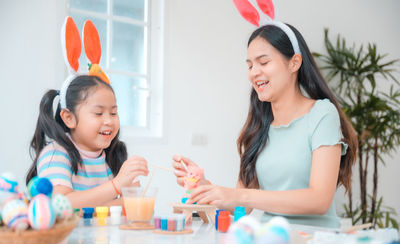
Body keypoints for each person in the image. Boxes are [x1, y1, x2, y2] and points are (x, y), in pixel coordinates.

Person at [172, 22, 357, 228]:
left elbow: (319, 200)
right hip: (270, 241)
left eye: (263, 62)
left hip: (315, 243)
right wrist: (204, 186)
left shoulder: (322, 114)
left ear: (294, 63)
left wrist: (241, 196)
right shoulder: (259, 127)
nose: (254, 72)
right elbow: (241, 205)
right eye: (250, 65)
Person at [26, 75, 148, 208]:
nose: (109, 121)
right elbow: (62, 204)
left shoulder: (114, 155)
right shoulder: (55, 153)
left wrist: (127, 186)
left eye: (113, 113)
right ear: (69, 118)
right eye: (98, 113)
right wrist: (117, 185)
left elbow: (134, 203)